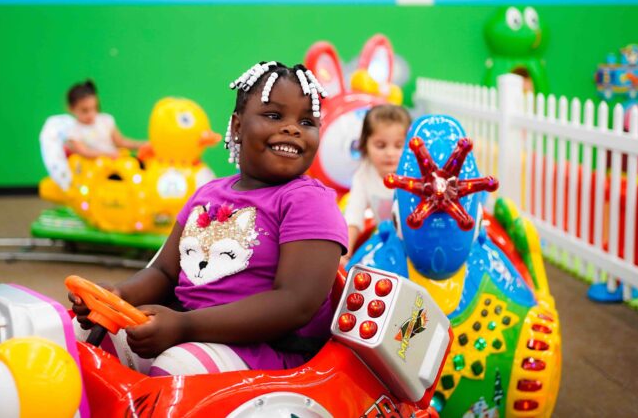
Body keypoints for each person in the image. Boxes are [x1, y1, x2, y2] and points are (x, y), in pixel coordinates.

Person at [69, 62, 348, 376]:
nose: (293, 128)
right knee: (77, 336)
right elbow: (163, 271)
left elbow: (296, 303)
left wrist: (185, 326)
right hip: (188, 332)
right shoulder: (207, 194)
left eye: (307, 121)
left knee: (176, 367)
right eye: (274, 115)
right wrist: (117, 296)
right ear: (238, 126)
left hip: (269, 354)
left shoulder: (309, 201)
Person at [342, 104, 411, 262]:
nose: (390, 153)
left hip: (415, 243)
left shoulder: (411, 173)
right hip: (387, 240)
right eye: (380, 145)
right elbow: (354, 215)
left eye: (399, 146)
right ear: (365, 144)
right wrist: (345, 254)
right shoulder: (364, 174)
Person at [65, 80, 146, 158]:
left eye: (94, 108)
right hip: (94, 168)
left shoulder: (105, 120)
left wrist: (142, 144)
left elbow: (121, 142)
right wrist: (109, 155)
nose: (91, 114)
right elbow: (85, 152)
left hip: (114, 163)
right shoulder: (73, 130)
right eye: (85, 110)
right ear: (71, 108)